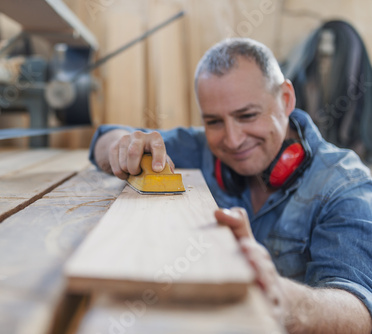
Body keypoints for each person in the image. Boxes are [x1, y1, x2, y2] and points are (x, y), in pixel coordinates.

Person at [89, 38, 372, 333]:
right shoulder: (199, 148)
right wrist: (126, 147)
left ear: (286, 98)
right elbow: (104, 139)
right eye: (214, 122)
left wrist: (286, 300)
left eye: (247, 115)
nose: (233, 140)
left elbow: (359, 311)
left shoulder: (344, 184)